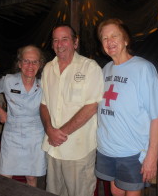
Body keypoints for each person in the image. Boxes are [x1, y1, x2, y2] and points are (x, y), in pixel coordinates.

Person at [95, 18, 158, 196]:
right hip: (107, 148)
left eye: (114, 36)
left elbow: (157, 116)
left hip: (131, 151)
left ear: (126, 40)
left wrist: (152, 155)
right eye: (105, 38)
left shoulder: (143, 68)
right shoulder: (105, 69)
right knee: (115, 191)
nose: (109, 41)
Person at [40, 24, 104, 196]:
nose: (59, 44)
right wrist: (48, 129)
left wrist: (60, 133)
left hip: (78, 149)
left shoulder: (90, 68)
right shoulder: (47, 69)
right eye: (55, 40)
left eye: (64, 39)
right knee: (53, 192)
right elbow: (44, 104)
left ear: (75, 43)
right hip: (53, 148)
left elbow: (92, 106)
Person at [0, 45, 46, 187]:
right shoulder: (8, 80)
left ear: (40, 64)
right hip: (12, 133)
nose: (30, 66)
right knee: (5, 175)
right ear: (19, 63)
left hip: (35, 134)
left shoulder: (44, 84)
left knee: (31, 177)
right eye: (26, 61)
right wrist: (0, 111)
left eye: (34, 61)